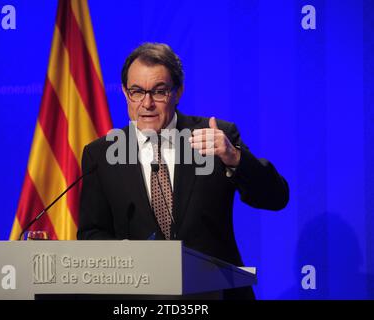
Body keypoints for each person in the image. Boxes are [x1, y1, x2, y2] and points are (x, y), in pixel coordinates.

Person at [78, 43, 289, 299]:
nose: (147, 104)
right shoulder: (101, 154)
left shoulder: (214, 137)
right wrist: (128, 257)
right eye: (136, 91)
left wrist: (234, 157)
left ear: (178, 92)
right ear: (125, 92)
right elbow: (92, 233)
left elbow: (276, 197)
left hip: (215, 294)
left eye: (159, 92)